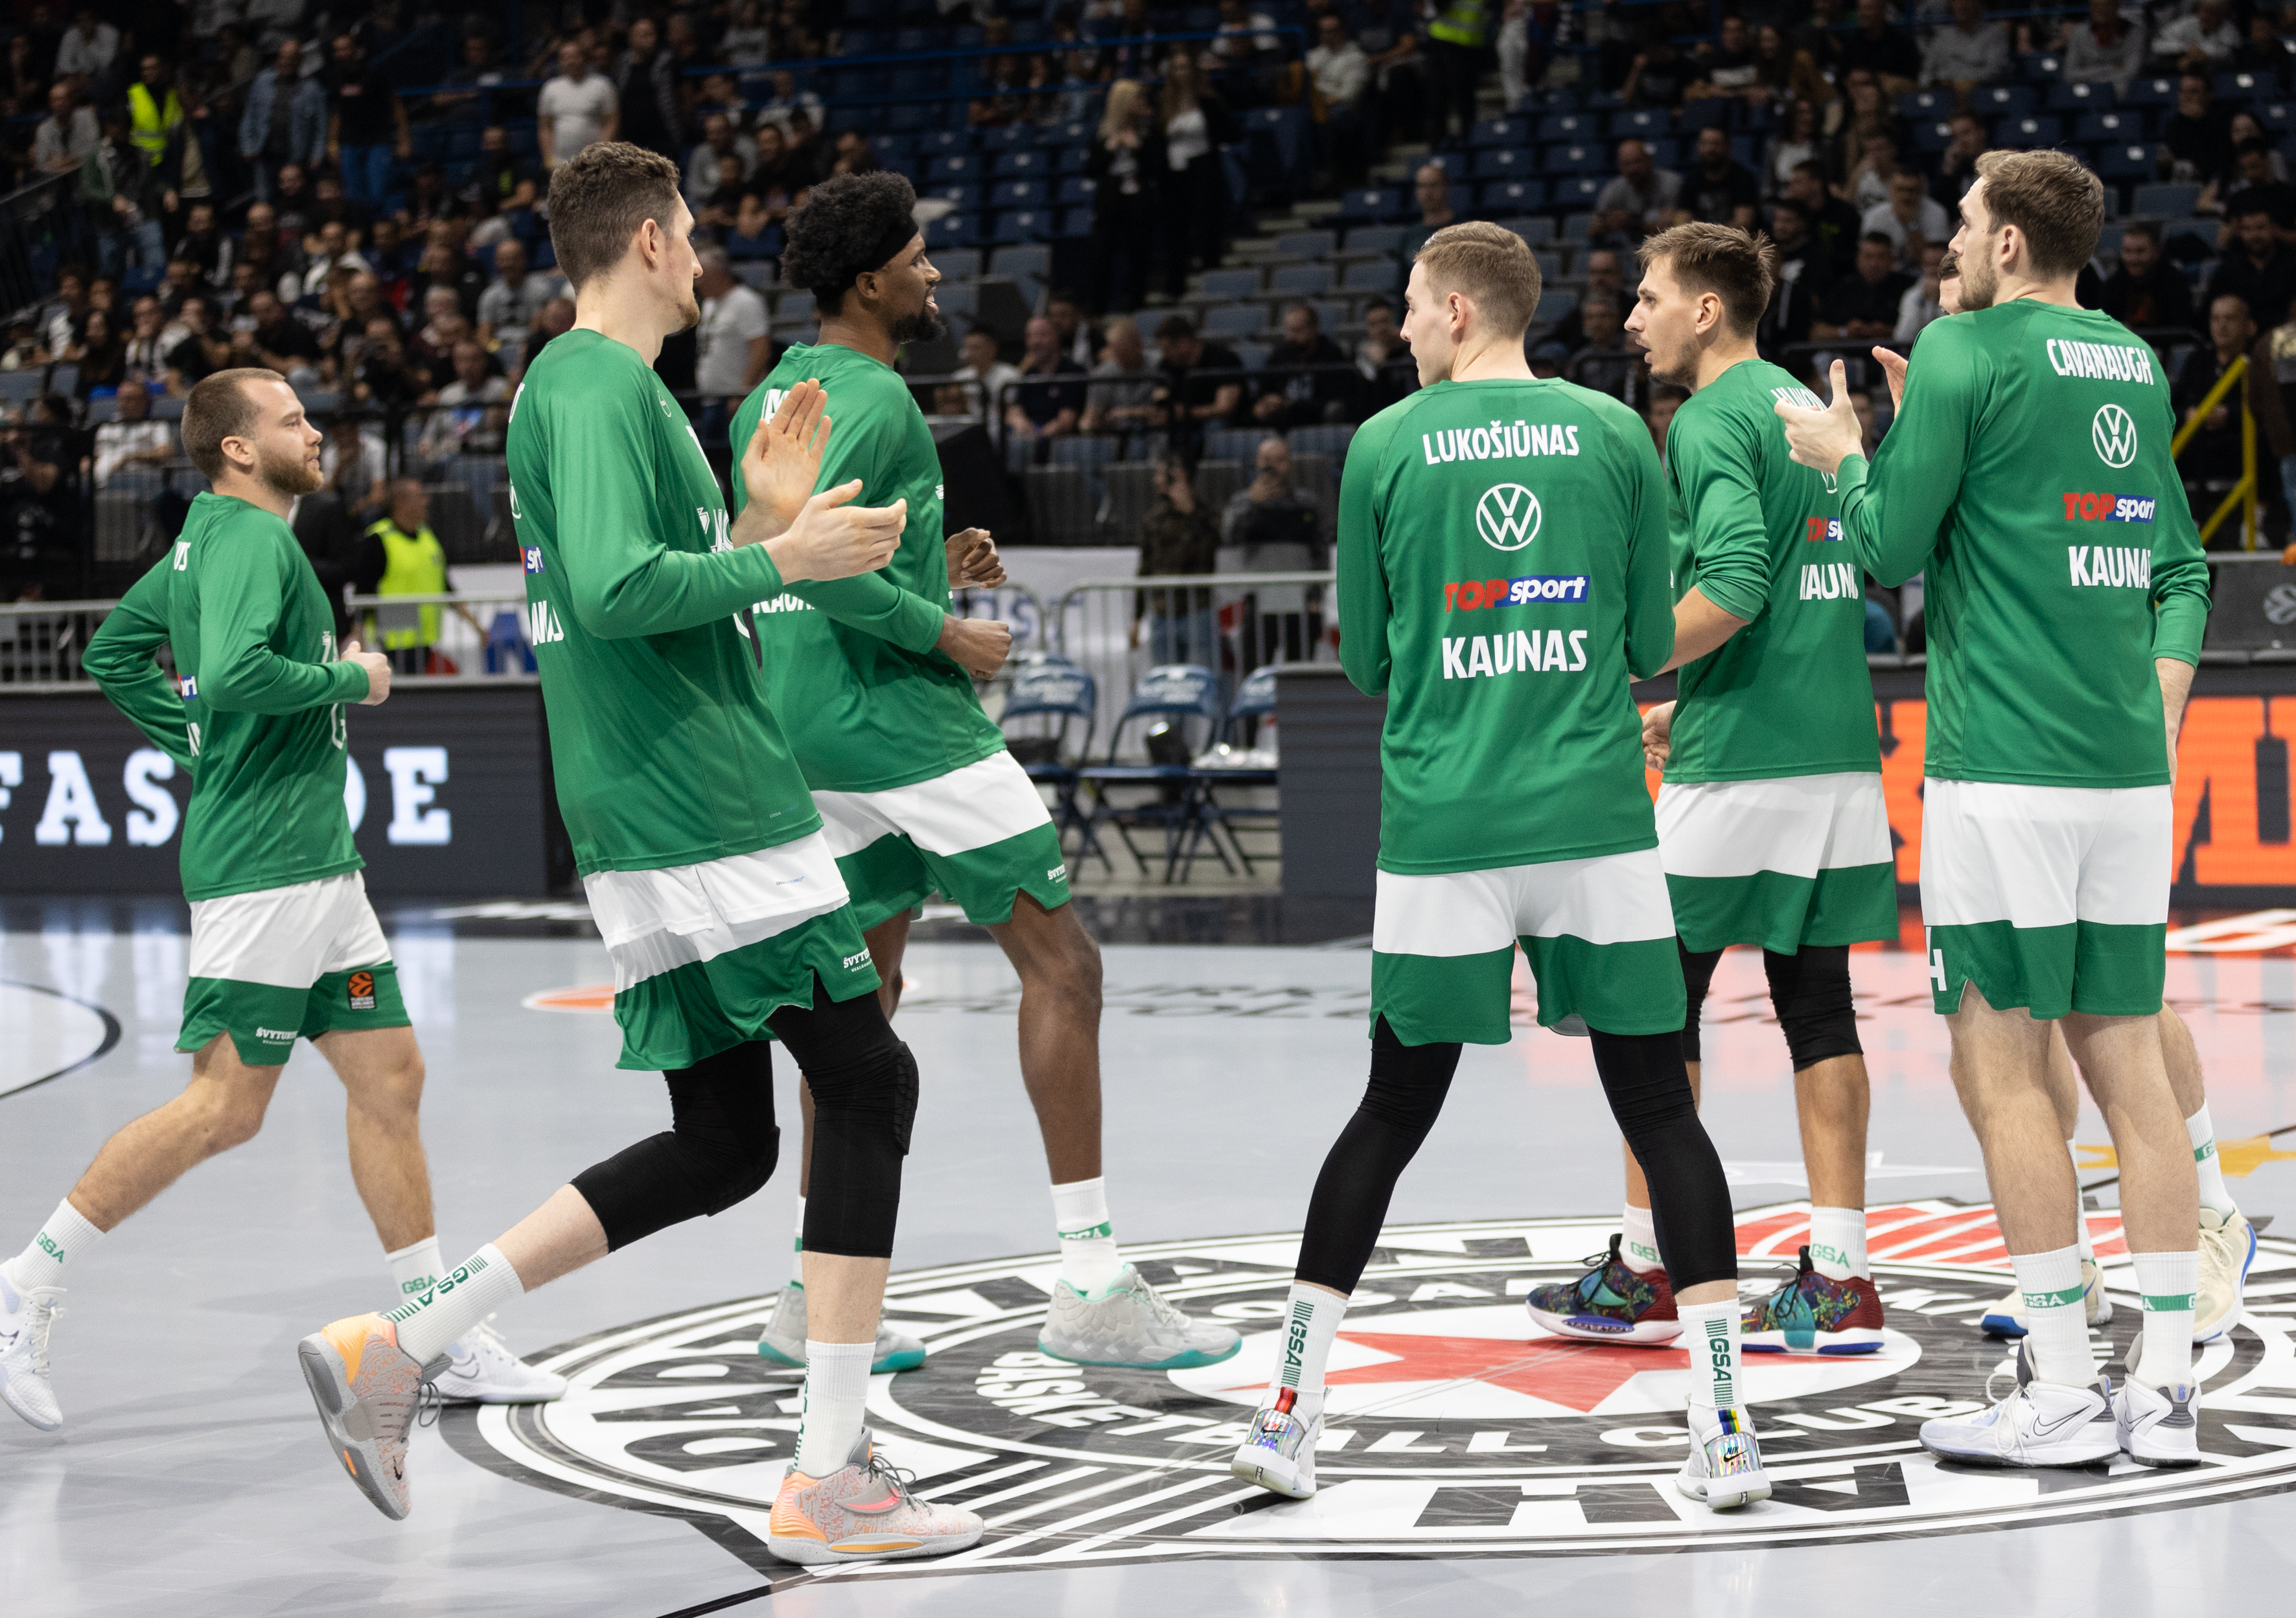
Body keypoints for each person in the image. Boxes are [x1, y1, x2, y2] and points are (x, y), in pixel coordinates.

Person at [290, 143, 984, 1562]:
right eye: (695, 233)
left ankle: (398, 1348)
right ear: (657, 240)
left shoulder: (603, 393)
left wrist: (767, 524)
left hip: (658, 795)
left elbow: (674, 591)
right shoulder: (598, 382)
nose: (705, 252)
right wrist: (798, 561)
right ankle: (828, 1471)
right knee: (869, 1076)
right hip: (702, 797)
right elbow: (613, 595)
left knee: (725, 1142)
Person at [1229, 220, 1768, 1511]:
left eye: (1410, 307)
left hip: (1444, 833)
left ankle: (1291, 1418)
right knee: (1659, 1109)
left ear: (1459, 312)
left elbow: (1361, 662)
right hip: (1595, 823)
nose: (1399, 329)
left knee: (1389, 1113)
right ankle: (1727, 1431)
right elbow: (1647, 634)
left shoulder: (1380, 447)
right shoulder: (1610, 433)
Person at [732, 171, 1238, 1376]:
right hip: (896, 719)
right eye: (917, 258)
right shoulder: (877, 398)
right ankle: (1089, 1279)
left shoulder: (773, 388)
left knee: (867, 999)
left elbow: (777, 542)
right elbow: (802, 564)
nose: (935, 274)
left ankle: (811, 1296)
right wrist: (942, 632)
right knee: (1063, 963)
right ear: (868, 281)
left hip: (802, 725)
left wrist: (930, 562)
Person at [0, 368, 559, 1438]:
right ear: (239, 449)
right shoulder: (254, 542)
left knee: (390, 1074)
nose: (317, 429)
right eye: (293, 418)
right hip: (269, 865)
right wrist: (355, 680)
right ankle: (28, 1279)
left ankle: (432, 1328)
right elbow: (244, 669)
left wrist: (194, 744)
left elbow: (113, 655)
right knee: (224, 1104)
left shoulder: (198, 542)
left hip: (310, 859)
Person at [1775, 148, 2210, 1468]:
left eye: (1962, 223)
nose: (1947, 245)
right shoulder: (2130, 360)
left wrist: (1852, 451)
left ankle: (2067, 1392)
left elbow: (1888, 549)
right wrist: (2156, 704)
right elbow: (2179, 568)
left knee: (1996, 1066)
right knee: (2127, 1062)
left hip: (1999, 766)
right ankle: (2170, 1393)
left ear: (2010, 243)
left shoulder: (1962, 350)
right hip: (2123, 770)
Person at [1559, 222, 1899, 1358]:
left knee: (1649, 1010)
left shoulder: (1703, 418)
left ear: (1705, 309)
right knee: (1818, 1010)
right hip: (1835, 745)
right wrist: (1684, 688)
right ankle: (1838, 1277)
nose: (1630, 317)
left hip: (1742, 765)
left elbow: (1742, 583)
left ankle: (1650, 1266)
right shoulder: (1802, 405)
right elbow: (1810, 580)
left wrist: (1617, 665)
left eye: (1647, 297)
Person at [354, 476, 474, 673]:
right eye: (419, 496)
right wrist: (361, 647)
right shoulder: (379, 538)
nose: (426, 501)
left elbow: (446, 586)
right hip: (396, 640)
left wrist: (476, 626)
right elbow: (363, 595)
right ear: (401, 503)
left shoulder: (427, 536)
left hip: (426, 637)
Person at [2175, 293, 2256, 533]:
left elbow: (2268, 410)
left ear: (2248, 325)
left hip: (2238, 444)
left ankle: (2256, 524)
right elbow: (2171, 406)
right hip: (2199, 446)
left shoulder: (2256, 362)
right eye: (2215, 319)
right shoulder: (2197, 361)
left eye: (2230, 318)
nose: (2221, 325)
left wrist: (2229, 415)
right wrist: (2189, 415)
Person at [1134, 450, 1221, 662]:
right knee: (1166, 685)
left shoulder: (1208, 515)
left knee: (1201, 681)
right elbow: (1145, 568)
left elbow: (1210, 552)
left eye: (1161, 474)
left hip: (1198, 611)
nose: (1156, 480)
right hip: (1162, 613)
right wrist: (1136, 617)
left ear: (1180, 475)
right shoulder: (1154, 518)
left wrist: (1191, 515)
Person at [326, 33, 409, 216]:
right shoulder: (335, 78)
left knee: (377, 193)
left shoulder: (375, 73)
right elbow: (336, 114)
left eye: (345, 48)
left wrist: (404, 140)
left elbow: (397, 106)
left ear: (356, 50)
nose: (342, 53)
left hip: (378, 141)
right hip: (349, 143)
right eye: (338, 50)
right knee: (354, 198)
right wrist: (332, 145)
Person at [693, 244, 772, 406]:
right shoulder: (709, 304)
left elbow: (761, 350)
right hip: (710, 399)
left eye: (702, 277)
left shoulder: (745, 301)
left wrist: (742, 394)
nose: (697, 284)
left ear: (719, 274)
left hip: (737, 399)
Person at [1251, 303, 1349, 428]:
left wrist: (1292, 405)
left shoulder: (1332, 355)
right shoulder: (1280, 356)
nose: (1290, 337)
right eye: (1289, 330)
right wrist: (1265, 403)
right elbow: (1263, 390)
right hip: (1281, 420)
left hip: (1316, 422)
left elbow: (1334, 399)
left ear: (1314, 329)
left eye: (1297, 330)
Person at [2209, 202, 2296, 336]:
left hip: (2283, 344)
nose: (2254, 235)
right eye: (2248, 229)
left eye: (2260, 228)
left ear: (2273, 229)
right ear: (2240, 233)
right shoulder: (2229, 270)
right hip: (2238, 346)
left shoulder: (2292, 266)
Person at [2100, 221, 2199, 339]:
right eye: (2128, 251)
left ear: (2156, 252)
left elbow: (2180, 330)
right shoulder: (2113, 286)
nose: (2133, 259)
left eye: (2140, 251)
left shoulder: (2176, 283)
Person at [1006, 314, 1088, 448]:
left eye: (1042, 335)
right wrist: (1021, 423)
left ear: (1057, 337)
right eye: (1030, 336)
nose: (1035, 342)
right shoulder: (1029, 374)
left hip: (1059, 445)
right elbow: (1015, 410)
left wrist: (1039, 437)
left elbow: (1067, 420)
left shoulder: (1073, 373)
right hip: (1028, 439)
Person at [1813, 233, 1912, 341]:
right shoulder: (1843, 287)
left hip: (1894, 352)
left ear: (1891, 260)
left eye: (1881, 257)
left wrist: (1888, 331)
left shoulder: (1908, 288)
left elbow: (1920, 330)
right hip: (1846, 353)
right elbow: (1816, 332)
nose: (1874, 264)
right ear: (1858, 258)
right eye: (1868, 256)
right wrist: (1845, 331)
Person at [474, 238, 557, 370]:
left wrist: (523, 352)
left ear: (523, 260)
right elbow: (484, 334)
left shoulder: (539, 291)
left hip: (529, 350)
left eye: (513, 259)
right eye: (503, 260)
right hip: (497, 351)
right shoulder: (490, 295)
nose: (508, 264)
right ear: (497, 263)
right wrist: (496, 352)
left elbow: (536, 330)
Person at [537, 40, 618, 170]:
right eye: (566, 57)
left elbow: (611, 122)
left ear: (584, 58)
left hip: (595, 165)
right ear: (560, 61)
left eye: (575, 56)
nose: (571, 61)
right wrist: (549, 160)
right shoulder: (550, 88)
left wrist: (601, 155)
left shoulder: (603, 85)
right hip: (560, 165)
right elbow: (545, 128)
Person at [612, 18, 682, 163]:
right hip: (631, 140)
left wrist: (678, 132)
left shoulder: (667, 63)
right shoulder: (622, 65)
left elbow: (685, 96)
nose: (652, 39)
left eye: (653, 34)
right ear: (632, 39)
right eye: (645, 35)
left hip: (662, 138)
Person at [1864, 169, 1952, 273]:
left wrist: (1911, 225)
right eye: (1900, 190)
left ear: (1921, 192)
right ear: (1890, 190)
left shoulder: (1937, 213)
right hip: (1885, 275)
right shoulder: (1875, 216)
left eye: (1911, 190)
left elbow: (1936, 262)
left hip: (1922, 276)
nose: (1905, 196)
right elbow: (1867, 259)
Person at [1082, 315, 1159, 433]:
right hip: (1116, 436)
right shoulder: (1103, 375)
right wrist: (1088, 428)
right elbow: (1090, 415)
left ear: (1139, 345)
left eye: (1126, 353)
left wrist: (1127, 412)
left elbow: (1162, 412)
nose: (1123, 360)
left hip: (1153, 432)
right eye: (1118, 354)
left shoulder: (1159, 366)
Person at [91, 376, 172, 487]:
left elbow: (166, 453)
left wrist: (131, 457)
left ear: (144, 402)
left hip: (139, 481)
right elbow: (96, 455)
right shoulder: (108, 426)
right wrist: (87, 463)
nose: (124, 403)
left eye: (130, 399)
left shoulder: (156, 424)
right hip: (101, 481)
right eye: (121, 399)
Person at [1596, 139, 1684, 239]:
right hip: (1627, 248)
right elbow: (1594, 228)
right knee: (1602, 255)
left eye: (1637, 162)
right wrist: (1609, 224)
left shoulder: (1670, 183)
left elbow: (1671, 226)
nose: (1632, 169)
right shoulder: (1614, 189)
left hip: (1665, 244)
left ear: (1648, 160)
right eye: (1626, 164)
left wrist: (1631, 222)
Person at [2062, 0, 2146, 95]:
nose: (2100, 10)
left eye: (2106, 5)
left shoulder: (2134, 33)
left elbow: (2131, 72)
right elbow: (2070, 75)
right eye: (2096, 6)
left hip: (2120, 95)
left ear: (2116, 6)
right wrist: (2111, 68)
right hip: (2087, 94)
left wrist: (2094, 78)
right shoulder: (2079, 33)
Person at [1685, 125, 1759, 231]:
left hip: (1735, 243)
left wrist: (1704, 233)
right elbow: (1682, 219)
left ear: (1728, 147)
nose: (1710, 149)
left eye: (1716, 143)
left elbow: (1743, 224)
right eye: (1705, 143)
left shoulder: (1743, 178)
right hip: (1699, 243)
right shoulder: (1692, 179)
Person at [1921, 0, 2008, 90]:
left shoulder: (1994, 33)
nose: (1961, 5)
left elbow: (1995, 69)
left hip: (1979, 92)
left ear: (1978, 4)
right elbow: (1926, 72)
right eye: (1956, 1)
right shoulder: (1942, 35)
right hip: (1943, 93)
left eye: (1967, 1)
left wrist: (1967, 81)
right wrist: (1932, 83)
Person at [1354, 295, 1415, 413]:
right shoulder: (1362, 355)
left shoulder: (1412, 350)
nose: (1380, 329)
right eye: (1373, 324)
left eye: (1384, 321)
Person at [1896, 241, 1948, 341]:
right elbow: (1903, 337)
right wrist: (1921, 302)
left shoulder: (1962, 294)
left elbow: (1954, 334)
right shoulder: (1912, 295)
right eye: (1928, 265)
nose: (1933, 270)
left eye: (1938, 264)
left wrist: (1941, 301)